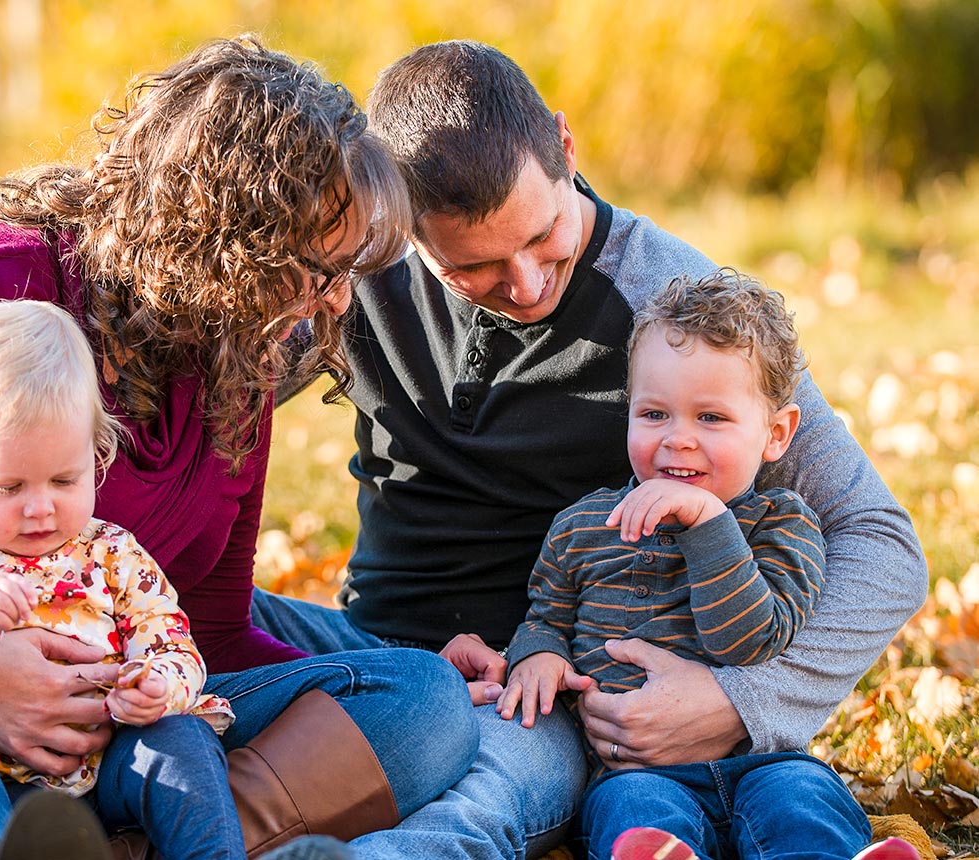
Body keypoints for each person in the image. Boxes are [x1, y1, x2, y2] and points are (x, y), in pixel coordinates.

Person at [0, 37, 479, 860]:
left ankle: (119, 841)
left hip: (106, 728)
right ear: (226, 241)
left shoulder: (237, 364)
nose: (335, 302)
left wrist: (162, 684)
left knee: (417, 703)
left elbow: (211, 630)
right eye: (320, 268)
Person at [252, 40, 928, 859]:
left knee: (483, 803)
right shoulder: (357, 270)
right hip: (375, 649)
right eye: (476, 267)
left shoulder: (668, 314)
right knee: (178, 610)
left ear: (565, 149)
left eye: (544, 236)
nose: (529, 284)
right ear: (399, 221)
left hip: (538, 694)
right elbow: (199, 384)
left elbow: (879, 539)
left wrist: (742, 700)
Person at [497, 271, 915, 860]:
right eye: (654, 414)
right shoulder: (583, 526)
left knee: (804, 797)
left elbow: (748, 642)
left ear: (775, 434)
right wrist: (537, 654)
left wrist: (709, 526)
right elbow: (546, 616)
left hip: (760, 759)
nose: (678, 440)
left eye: (711, 419)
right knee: (631, 812)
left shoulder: (782, 524)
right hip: (633, 770)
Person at [0, 300, 247, 859]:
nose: (40, 509)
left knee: (181, 741)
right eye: (8, 487)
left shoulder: (112, 551)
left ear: (95, 455)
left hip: (115, 753)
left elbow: (173, 642)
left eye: (65, 479)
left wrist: (159, 685)